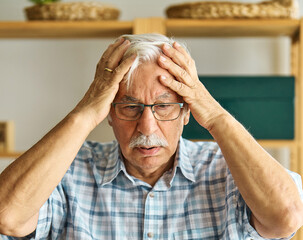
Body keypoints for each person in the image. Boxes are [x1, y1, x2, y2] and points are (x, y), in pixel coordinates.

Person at [0, 33, 302, 240]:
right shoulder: (68, 172)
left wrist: (215, 115)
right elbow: (7, 216)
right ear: (107, 111)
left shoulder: (226, 171)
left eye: (164, 106)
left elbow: (287, 217)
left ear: (187, 112)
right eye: (130, 107)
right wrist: (85, 112)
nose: (147, 128)